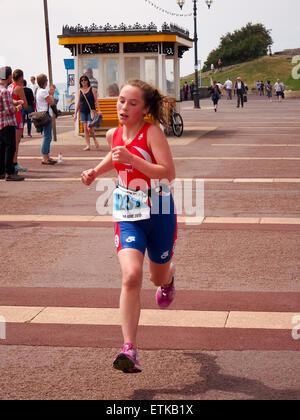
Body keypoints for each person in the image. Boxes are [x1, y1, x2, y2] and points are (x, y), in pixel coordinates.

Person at [81, 79, 177, 373]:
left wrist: (134, 160)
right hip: (127, 211)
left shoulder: (153, 133)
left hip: (159, 209)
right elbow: (114, 154)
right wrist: (95, 171)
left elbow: (168, 174)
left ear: (145, 108)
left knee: (155, 278)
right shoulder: (114, 134)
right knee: (131, 276)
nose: (124, 106)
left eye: (132, 103)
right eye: (121, 100)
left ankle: (168, 280)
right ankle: (129, 348)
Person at [0, 66, 24, 181]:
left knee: (2, 148)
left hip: (0, 123)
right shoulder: (4, 91)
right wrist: (18, 107)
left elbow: (5, 102)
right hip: (7, 123)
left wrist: (14, 101)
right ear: (9, 76)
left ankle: (1, 171)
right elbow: (9, 110)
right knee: (10, 147)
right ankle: (10, 172)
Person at [74, 75, 101, 151]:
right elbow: (78, 103)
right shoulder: (80, 91)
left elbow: (96, 101)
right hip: (82, 111)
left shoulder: (92, 89)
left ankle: (94, 139)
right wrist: (75, 114)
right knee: (85, 128)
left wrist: (99, 110)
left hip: (91, 111)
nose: (83, 81)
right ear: (80, 82)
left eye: (85, 80)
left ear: (87, 81)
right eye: (82, 80)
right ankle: (88, 145)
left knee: (89, 128)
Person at [8, 69, 28, 172]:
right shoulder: (19, 88)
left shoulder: (10, 86)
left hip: (10, 115)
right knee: (16, 141)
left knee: (11, 141)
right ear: (21, 77)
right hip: (18, 115)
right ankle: (14, 162)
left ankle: (10, 162)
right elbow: (25, 103)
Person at [36, 74, 57, 165]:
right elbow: (51, 102)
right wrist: (51, 94)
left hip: (42, 115)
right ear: (45, 82)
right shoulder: (43, 91)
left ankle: (47, 156)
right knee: (47, 136)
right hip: (46, 116)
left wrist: (49, 93)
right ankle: (45, 157)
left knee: (47, 136)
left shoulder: (38, 90)